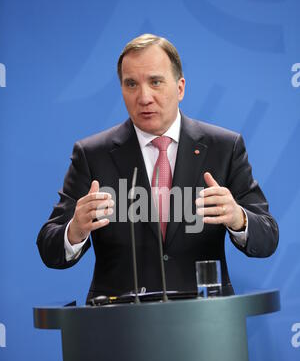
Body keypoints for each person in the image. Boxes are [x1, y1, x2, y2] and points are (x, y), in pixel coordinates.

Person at [37, 34, 279, 301]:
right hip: (119, 326)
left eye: (155, 82)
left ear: (180, 88)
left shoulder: (224, 147)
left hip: (207, 325)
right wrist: (75, 229)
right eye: (131, 84)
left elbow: (267, 236)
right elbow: (50, 248)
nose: (144, 97)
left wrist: (238, 217)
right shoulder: (92, 154)